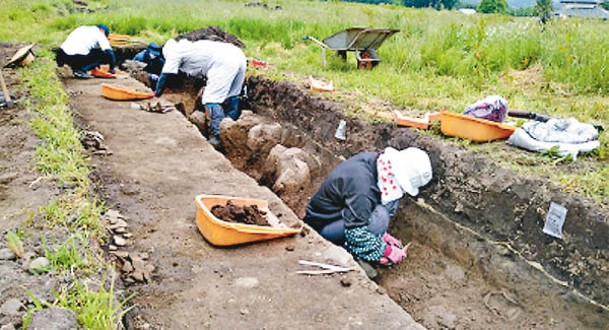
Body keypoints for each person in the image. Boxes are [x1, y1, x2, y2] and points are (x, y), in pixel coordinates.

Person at [304, 147, 432, 267]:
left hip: (342, 215)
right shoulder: (363, 189)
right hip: (322, 228)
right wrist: (386, 251)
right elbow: (355, 232)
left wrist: (381, 234)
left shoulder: (377, 163)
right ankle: (349, 251)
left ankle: (370, 239)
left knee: (390, 203)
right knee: (380, 216)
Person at [154, 38, 247, 146]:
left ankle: (217, 137)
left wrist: (156, 94)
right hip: (238, 54)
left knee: (211, 98)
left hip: (223, 61)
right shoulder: (188, 47)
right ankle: (230, 129)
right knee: (232, 93)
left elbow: (165, 76)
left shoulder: (174, 53)